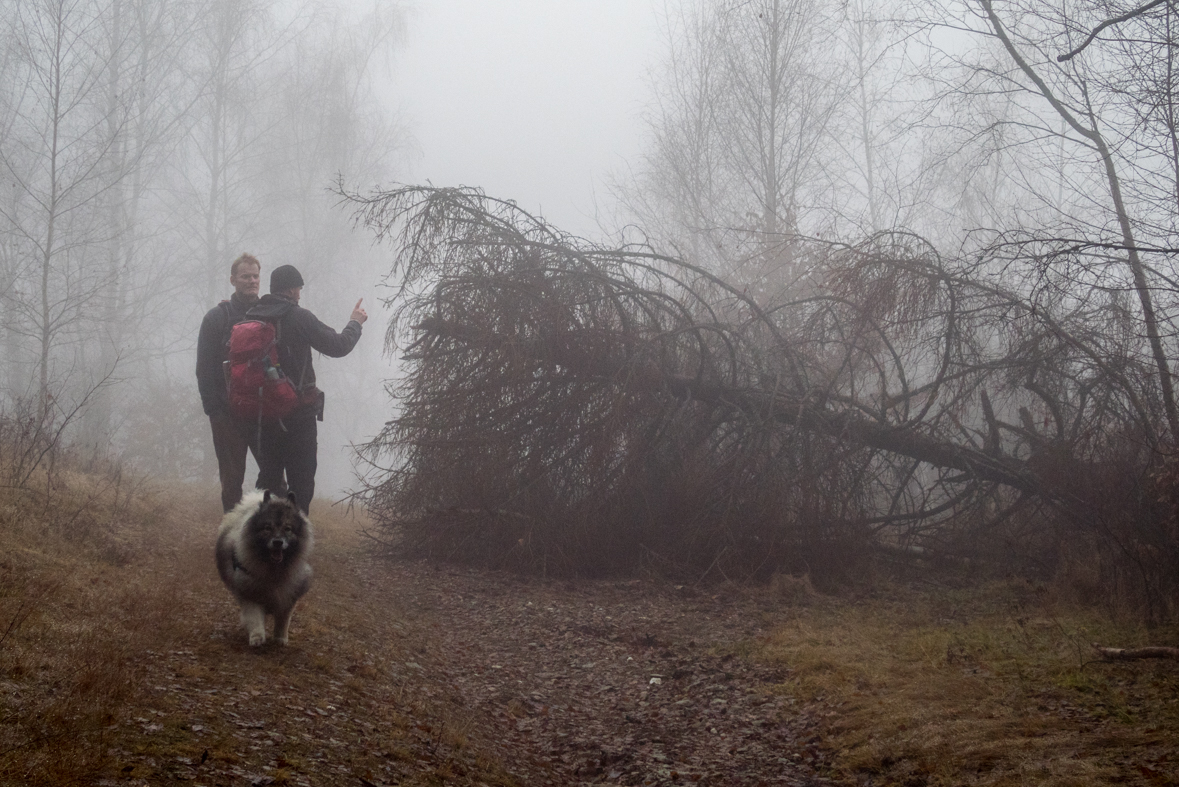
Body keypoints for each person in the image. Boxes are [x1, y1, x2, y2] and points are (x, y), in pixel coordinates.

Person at [246, 264, 367, 514]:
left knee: (267, 482)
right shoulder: (299, 317)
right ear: (291, 289)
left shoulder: (252, 316)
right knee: (300, 486)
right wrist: (355, 322)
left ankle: (257, 540)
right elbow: (339, 346)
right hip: (298, 415)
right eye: (299, 289)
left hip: (263, 415)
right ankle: (293, 541)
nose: (300, 294)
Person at [196, 253, 263, 513]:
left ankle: (265, 538)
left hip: (263, 413)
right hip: (227, 415)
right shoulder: (216, 318)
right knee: (232, 483)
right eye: (245, 276)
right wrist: (214, 410)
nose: (252, 281)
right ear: (233, 280)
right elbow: (204, 368)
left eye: (255, 276)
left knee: (273, 480)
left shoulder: (270, 313)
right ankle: (233, 543)